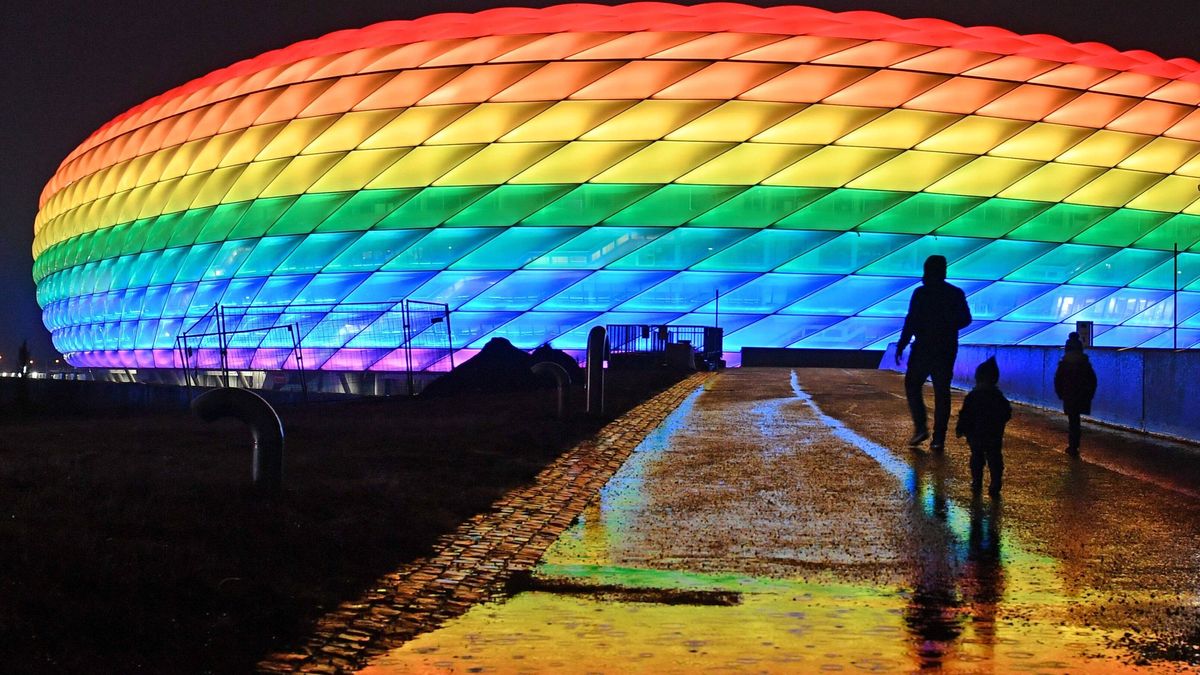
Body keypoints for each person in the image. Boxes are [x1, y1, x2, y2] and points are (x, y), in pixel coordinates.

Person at [895, 255, 972, 451]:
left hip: (923, 347)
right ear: (943, 271)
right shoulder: (955, 293)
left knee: (913, 385)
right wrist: (947, 325)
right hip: (946, 348)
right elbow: (966, 319)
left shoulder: (921, 293)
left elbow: (911, 320)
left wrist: (902, 343)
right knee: (942, 392)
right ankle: (939, 438)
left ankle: (921, 427)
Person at [955, 357, 1012, 495]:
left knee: (977, 457)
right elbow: (1007, 412)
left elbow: (965, 414)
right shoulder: (998, 397)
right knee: (994, 457)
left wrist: (960, 428)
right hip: (994, 433)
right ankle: (995, 482)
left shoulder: (973, 396)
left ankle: (977, 481)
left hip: (976, 434)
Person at [1053, 332, 1097, 455]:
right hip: (1081, 394)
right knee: (1075, 420)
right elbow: (1092, 380)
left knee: (1073, 420)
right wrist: (1089, 394)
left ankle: (1073, 446)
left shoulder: (1064, 364)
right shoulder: (1084, 364)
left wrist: (1060, 393)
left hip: (1069, 394)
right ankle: (1074, 444)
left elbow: (1058, 379)